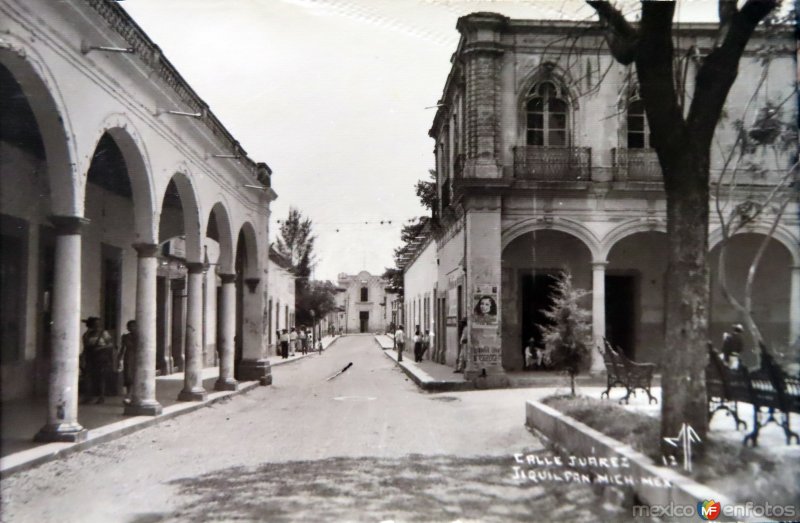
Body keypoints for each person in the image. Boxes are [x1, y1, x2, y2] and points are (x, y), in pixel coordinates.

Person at [81, 317, 114, 404]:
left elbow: (110, 345)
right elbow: (85, 347)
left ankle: (101, 396)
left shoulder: (104, 333)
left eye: (98, 324)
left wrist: (100, 348)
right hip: (90, 357)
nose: (97, 326)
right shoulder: (87, 335)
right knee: (88, 377)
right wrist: (83, 358)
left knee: (101, 377)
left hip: (101, 357)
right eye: (95, 324)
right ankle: (88, 396)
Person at [118, 320, 138, 404]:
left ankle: (132, 395)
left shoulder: (140, 336)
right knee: (128, 376)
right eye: (129, 326)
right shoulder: (125, 337)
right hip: (129, 357)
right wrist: (119, 359)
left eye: (133, 326)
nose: (131, 328)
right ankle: (128, 394)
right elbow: (122, 348)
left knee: (136, 376)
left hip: (138, 357)